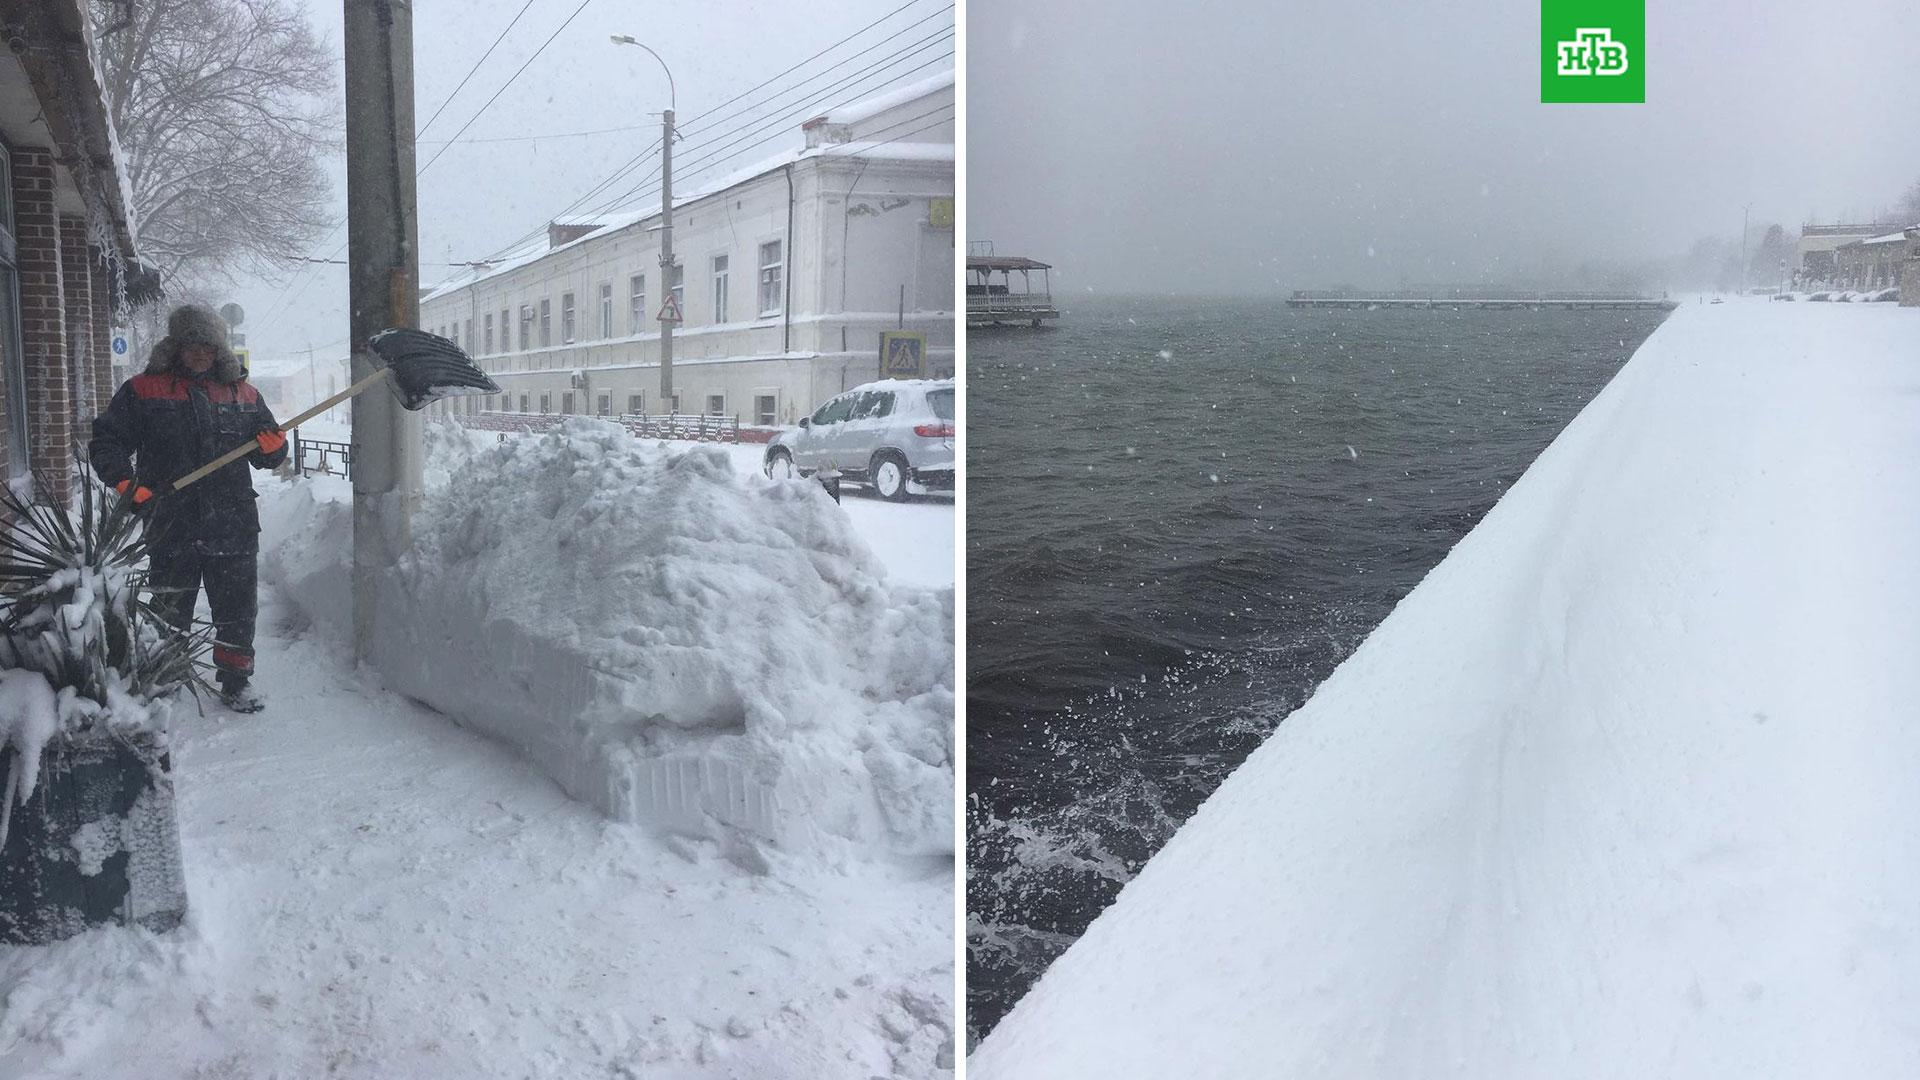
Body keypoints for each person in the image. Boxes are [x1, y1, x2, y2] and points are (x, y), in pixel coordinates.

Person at [89, 304, 288, 713]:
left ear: (219, 350)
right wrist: (127, 483)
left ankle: (235, 680)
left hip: (232, 521)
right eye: (193, 344)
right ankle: (166, 676)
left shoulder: (244, 393)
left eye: (209, 345)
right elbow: (107, 441)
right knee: (169, 606)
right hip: (171, 519)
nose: (201, 353)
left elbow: (268, 451)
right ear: (177, 346)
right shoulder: (144, 390)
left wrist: (275, 448)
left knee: (235, 609)